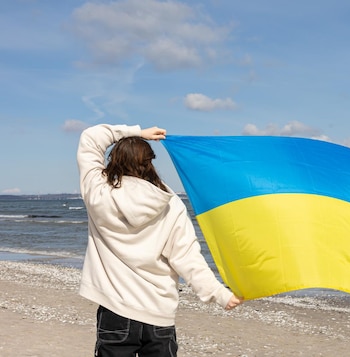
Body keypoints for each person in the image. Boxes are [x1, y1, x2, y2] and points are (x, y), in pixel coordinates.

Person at [77, 124, 243, 357]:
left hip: (116, 310)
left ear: (113, 160)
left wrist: (137, 132)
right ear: (149, 163)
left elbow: (90, 137)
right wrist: (220, 294)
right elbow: (186, 257)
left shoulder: (97, 192)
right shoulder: (170, 202)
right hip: (159, 315)